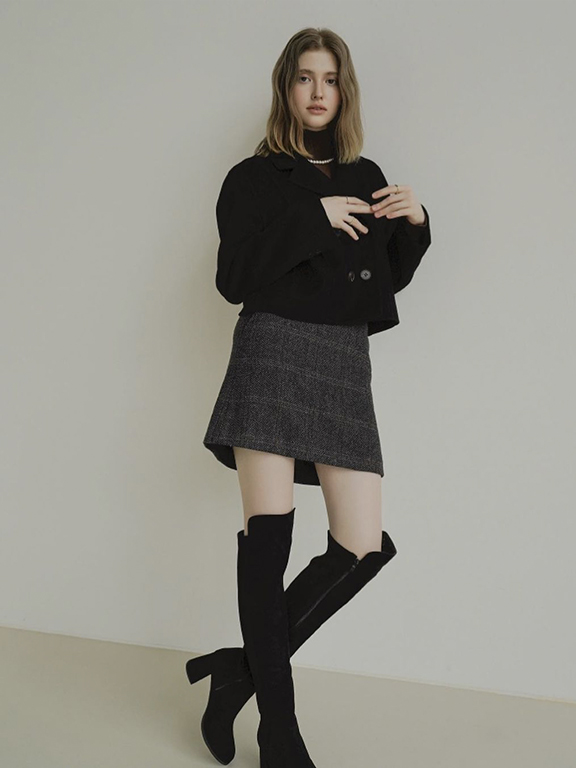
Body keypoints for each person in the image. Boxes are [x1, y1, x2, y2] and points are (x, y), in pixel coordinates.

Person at [185, 26, 431, 768]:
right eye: (304, 78)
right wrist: (310, 217)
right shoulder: (253, 179)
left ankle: (237, 672)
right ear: (285, 88)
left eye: (329, 79)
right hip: (272, 351)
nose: (318, 92)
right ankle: (280, 731)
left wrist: (416, 226)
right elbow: (233, 277)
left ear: (343, 90)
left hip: (341, 360)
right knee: (271, 541)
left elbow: (382, 279)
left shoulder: (366, 172)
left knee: (362, 546)